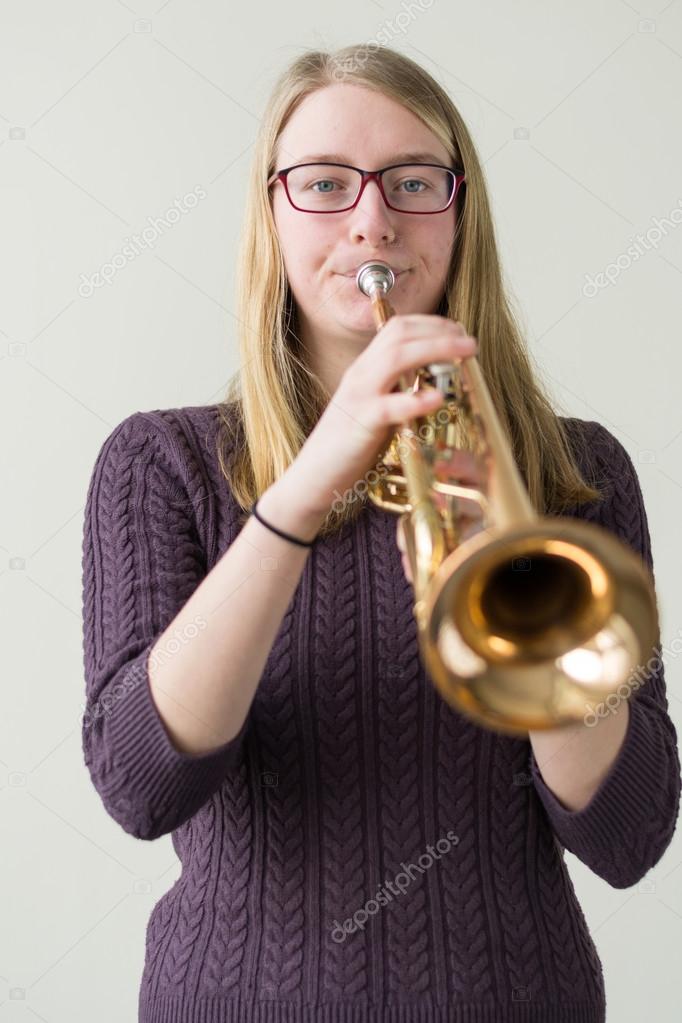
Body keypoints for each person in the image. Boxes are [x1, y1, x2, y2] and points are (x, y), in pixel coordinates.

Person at [80, 44, 681, 1023]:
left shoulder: (581, 473)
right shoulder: (162, 464)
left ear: (459, 209)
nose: (372, 218)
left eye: (411, 181)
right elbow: (143, 786)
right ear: (271, 213)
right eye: (324, 183)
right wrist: (308, 487)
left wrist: (516, 586)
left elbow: (627, 835)